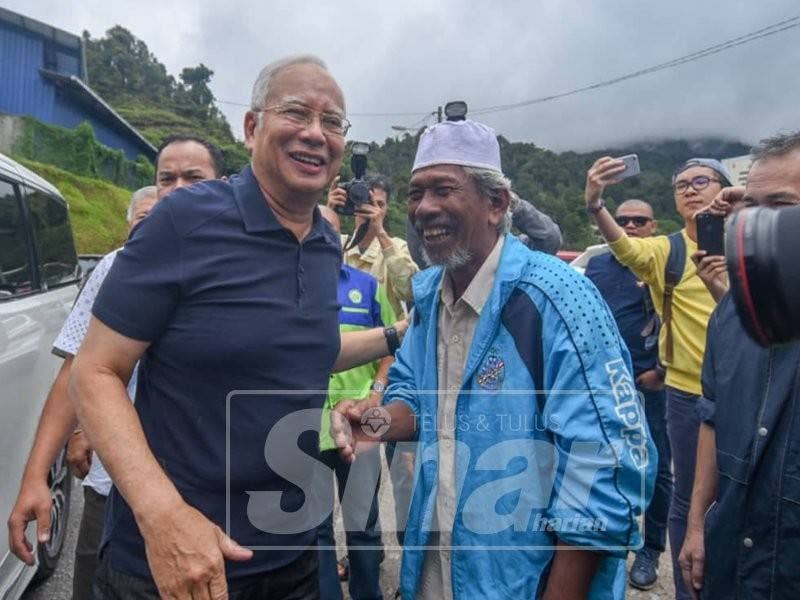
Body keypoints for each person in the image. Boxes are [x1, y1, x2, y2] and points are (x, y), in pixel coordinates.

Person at [68, 54, 405, 599]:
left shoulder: (323, 244)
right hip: (177, 561)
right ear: (251, 128)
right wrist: (162, 515)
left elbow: (301, 350)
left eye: (334, 122)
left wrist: (392, 342)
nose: (316, 134)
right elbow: (95, 370)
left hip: (291, 555)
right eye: (296, 112)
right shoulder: (183, 223)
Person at [333, 118, 654, 599]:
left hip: (526, 581)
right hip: (435, 569)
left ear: (496, 204)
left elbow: (605, 464)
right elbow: (417, 402)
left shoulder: (560, 298)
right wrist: (374, 423)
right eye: (416, 194)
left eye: (443, 190)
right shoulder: (429, 298)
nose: (424, 208)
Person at [6, 135, 223, 600]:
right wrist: (36, 477)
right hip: (117, 489)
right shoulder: (118, 268)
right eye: (167, 179)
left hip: (214, 492)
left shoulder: (242, 267)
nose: (179, 188)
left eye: (194, 178)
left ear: (221, 186)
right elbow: (75, 373)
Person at [584, 155, 731, 599]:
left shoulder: (752, 239)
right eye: (680, 184)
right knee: (690, 500)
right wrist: (595, 204)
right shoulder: (670, 250)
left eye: (700, 181)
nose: (689, 189)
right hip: (687, 392)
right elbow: (626, 249)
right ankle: (690, 589)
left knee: (744, 494)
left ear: (726, 188)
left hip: (750, 388)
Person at [678, 131, 800, 599]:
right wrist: (695, 525)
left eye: (781, 207)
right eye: (752, 208)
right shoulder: (730, 315)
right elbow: (711, 418)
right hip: (731, 560)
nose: (759, 225)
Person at [584, 199, 672, 591]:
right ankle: (606, 542)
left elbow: (678, 318)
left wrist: (661, 372)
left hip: (649, 383)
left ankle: (650, 549)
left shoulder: (662, 263)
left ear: (653, 227)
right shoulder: (597, 265)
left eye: (639, 220)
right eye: (623, 220)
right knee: (602, 463)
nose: (631, 225)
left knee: (657, 468)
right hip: (604, 384)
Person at [317, 206, 395, 600]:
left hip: (358, 427)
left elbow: (391, 347)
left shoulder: (366, 286)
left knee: (363, 526)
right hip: (304, 427)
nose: (323, 237)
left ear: (343, 239)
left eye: (331, 231)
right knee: (312, 529)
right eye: (315, 228)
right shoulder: (283, 287)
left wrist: (375, 394)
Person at [328, 174, 418, 316]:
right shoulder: (336, 242)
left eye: (379, 204)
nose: (372, 208)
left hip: (385, 335)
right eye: (366, 201)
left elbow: (410, 291)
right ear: (353, 201)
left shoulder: (397, 247)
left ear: (387, 209)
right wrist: (329, 214)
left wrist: (381, 232)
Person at [406, 191, 562, 268]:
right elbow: (420, 254)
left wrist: (513, 202)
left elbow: (549, 240)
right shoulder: (446, 259)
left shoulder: (511, 253)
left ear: (496, 206)